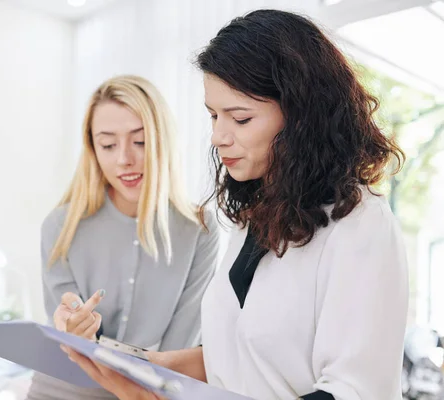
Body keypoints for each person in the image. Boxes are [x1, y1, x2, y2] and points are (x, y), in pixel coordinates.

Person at [64, 10, 409, 400]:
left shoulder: (360, 226)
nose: (217, 137)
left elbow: (355, 391)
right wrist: (152, 368)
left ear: (302, 117)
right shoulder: (256, 218)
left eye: (240, 119)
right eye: (213, 115)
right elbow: (240, 362)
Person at [27, 75, 220, 399]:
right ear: (92, 148)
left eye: (140, 141)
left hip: (140, 392)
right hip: (59, 388)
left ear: (162, 140)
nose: (124, 159)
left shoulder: (199, 229)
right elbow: (65, 322)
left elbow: (179, 349)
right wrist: (71, 327)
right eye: (108, 144)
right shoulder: (60, 225)